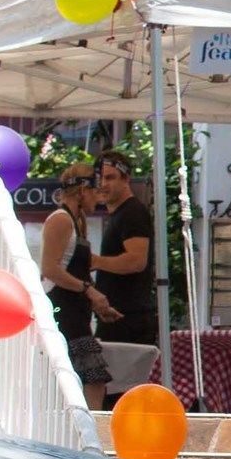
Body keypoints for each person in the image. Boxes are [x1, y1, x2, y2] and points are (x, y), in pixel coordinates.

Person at [87, 151, 164, 396]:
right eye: (100, 179)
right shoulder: (119, 215)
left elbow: (136, 261)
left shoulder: (132, 213)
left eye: (110, 178)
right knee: (108, 388)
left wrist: (97, 262)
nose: (103, 185)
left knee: (121, 392)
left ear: (125, 179)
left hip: (128, 318)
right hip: (116, 316)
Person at [38, 170, 117, 404]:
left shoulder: (76, 222)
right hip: (63, 309)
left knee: (85, 380)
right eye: (96, 192)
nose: (99, 199)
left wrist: (95, 300)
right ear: (83, 191)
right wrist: (87, 290)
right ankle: (89, 433)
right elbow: (50, 269)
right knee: (93, 379)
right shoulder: (61, 219)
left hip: (76, 311)